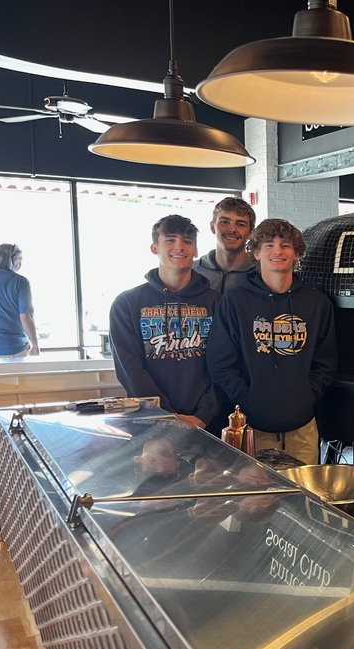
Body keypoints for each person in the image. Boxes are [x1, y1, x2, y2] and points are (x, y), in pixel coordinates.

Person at [207, 218, 337, 464]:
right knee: (256, 490)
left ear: (297, 253)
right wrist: (247, 401)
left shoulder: (317, 304)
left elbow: (326, 362)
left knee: (305, 488)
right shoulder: (235, 301)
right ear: (256, 253)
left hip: (303, 429)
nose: (278, 251)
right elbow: (219, 362)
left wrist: (306, 396)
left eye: (286, 245)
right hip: (252, 429)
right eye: (269, 245)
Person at [109, 215, 219, 429]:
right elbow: (130, 369)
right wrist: (166, 415)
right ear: (154, 248)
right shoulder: (127, 304)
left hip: (208, 422)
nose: (179, 246)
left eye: (187, 241)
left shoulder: (216, 302)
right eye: (170, 240)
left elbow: (223, 365)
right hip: (152, 422)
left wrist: (204, 414)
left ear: (196, 250)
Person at [193, 197, 257, 294]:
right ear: (212, 227)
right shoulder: (191, 272)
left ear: (251, 233)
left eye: (241, 224)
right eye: (225, 222)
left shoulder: (260, 273)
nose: (232, 229)